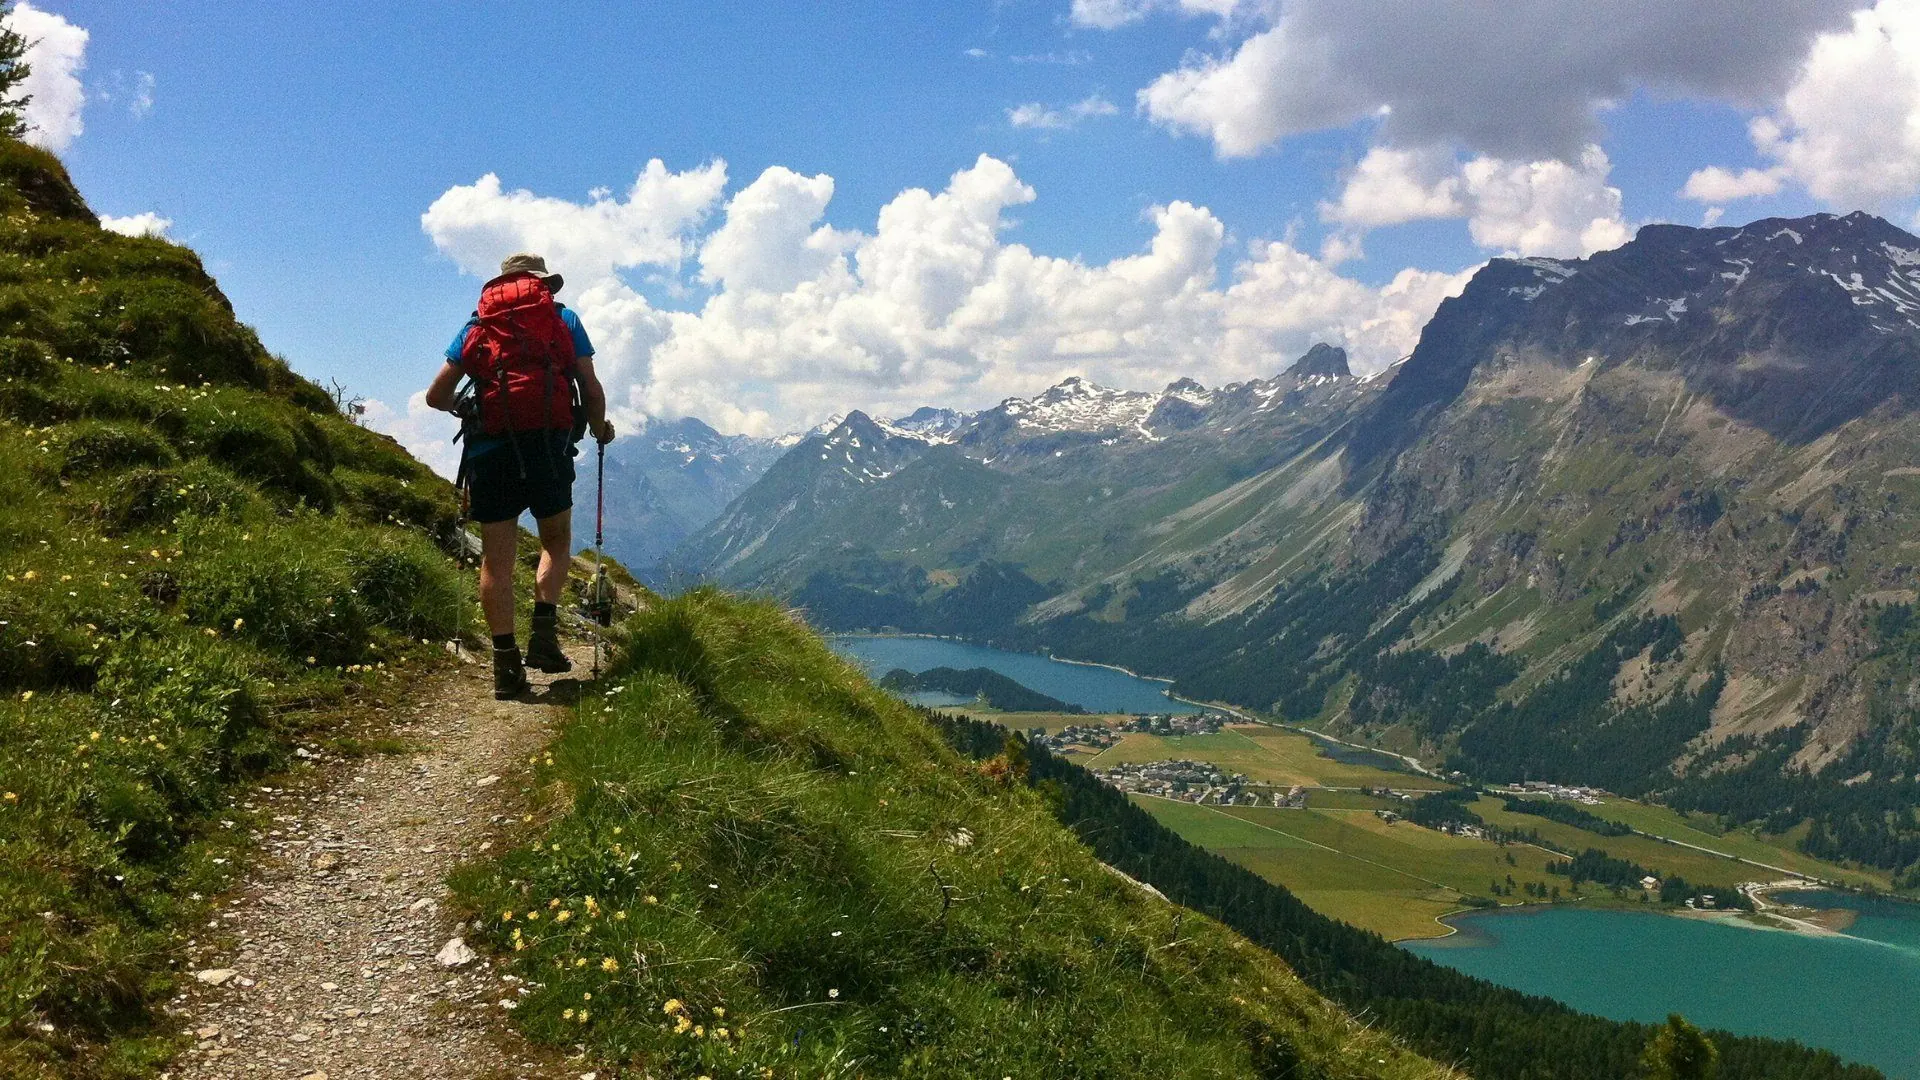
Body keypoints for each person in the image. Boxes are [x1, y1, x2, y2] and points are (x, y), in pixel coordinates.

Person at [424, 253, 614, 699]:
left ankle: (506, 668)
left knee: (497, 560)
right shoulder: (563, 319)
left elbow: (436, 396)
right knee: (556, 540)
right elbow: (589, 386)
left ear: (500, 285)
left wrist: (469, 408)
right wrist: (599, 426)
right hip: (548, 447)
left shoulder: (477, 326)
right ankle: (544, 638)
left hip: (491, 451)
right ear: (542, 284)